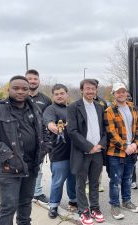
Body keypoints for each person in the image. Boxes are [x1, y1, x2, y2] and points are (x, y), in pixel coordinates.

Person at [0, 75, 51, 225]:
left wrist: (46, 146)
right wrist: (9, 156)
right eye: (16, 88)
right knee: (8, 206)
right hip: (8, 168)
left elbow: (43, 130)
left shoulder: (35, 108)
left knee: (25, 203)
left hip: (31, 166)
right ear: (8, 89)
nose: (20, 91)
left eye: (24, 89)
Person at [67, 79, 106, 225]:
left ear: (96, 90)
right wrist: (89, 146)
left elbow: (104, 129)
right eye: (87, 88)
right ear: (82, 90)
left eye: (93, 88)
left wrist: (101, 145)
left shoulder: (99, 107)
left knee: (95, 182)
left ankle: (95, 208)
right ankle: (83, 210)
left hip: (98, 152)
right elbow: (72, 131)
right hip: (82, 152)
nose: (90, 91)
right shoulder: (73, 107)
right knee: (81, 183)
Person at [104, 83, 138, 220]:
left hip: (131, 150)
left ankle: (126, 201)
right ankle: (115, 205)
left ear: (126, 93)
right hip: (116, 152)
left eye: (123, 91)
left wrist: (135, 144)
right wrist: (125, 146)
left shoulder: (132, 107)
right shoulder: (109, 110)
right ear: (114, 94)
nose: (121, 94)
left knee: (127, 178)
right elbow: (111, 133)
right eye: (118, 92)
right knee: (115, 180)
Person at [43, 84, 77, 218]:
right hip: (58, 154)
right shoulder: (50, 109)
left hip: (75, 153)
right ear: (53, 96)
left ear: (67, 94)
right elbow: (49, 123)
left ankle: (73, 201)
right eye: (56, 94)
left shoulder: (72, 109)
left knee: (73, 180)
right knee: (58, 181)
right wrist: (54, 127)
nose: (59, 96)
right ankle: (53, 205)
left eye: (62, 93)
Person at [25, 69, 52, 204]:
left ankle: (37, 192)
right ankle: (24, 193)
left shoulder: (45, 99)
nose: (32, 81)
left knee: (38, 169)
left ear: (39, 81)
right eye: (30, 79)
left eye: (35, 79)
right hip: (21, 140)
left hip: (39, 141)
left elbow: (49, 119)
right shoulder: (20, 96)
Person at [93, 79, 107, 192]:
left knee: (99, 161)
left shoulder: (102, 102)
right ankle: (88, 183)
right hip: (88, 134)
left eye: (95, 87)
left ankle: (99, 183)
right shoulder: (81, 102)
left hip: (100, 134)